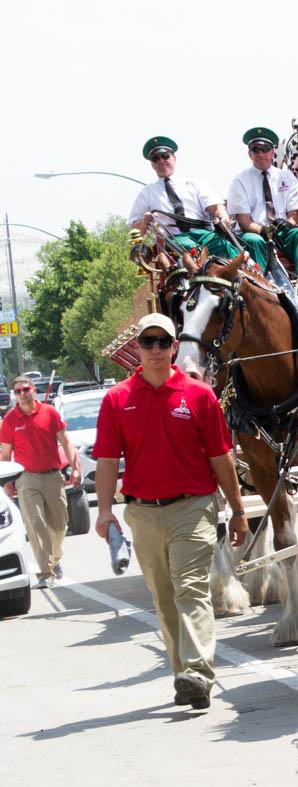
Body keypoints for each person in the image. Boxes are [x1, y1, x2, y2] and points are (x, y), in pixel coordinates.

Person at [93, 313, 249, 710]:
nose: (156, 350)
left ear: (174, 347)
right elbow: (107, 461)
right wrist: (105, 511)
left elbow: (220, 457)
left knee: (190, 588)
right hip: (143, 513)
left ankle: (197, 671)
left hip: (192, 507)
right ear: (138, 348)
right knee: (164, 599)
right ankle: (184, 674)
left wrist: (237, 509)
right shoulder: (116, 399)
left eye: (164, 342)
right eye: (149, 342)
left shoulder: (199, 395)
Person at [0, 375, 80, 588]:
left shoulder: (50, 412)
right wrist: (6, 482)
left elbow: (66, 442)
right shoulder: (9, 420)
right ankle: (45, 573)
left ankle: (55, 559)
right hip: (26, 479)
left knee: (59, 525)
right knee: (36, 525)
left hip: (53, 476)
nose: (22, 394)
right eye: (18, 391)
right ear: (14, 395)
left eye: (25, 389)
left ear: (33, 390)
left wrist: (75, 468)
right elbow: (5, 455)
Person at [128, 136, 240, 260]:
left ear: (174, 158)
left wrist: (221, 216)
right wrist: (144, 221)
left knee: (223, 245)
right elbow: (134, 229)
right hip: (174, 239)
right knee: (190, 248)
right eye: (156, 158)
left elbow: (216, 207)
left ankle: (247, 268)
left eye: (165, 156)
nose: (161, 161)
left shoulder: (195, 184)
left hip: (204, 234)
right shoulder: (147, 193)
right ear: (152, 165)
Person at [228, 127, 298, 278]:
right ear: (249, 153)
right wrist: (264, 231)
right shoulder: (239, 181)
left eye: (265, 149)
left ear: (273, 152)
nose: (261, 154)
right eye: (256, 149)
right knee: (252, 240)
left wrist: (288, 224)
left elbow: (294, 215)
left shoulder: (287, 178)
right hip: (256, 233)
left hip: (282, 233)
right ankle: (263, 283)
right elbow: (244, 221)